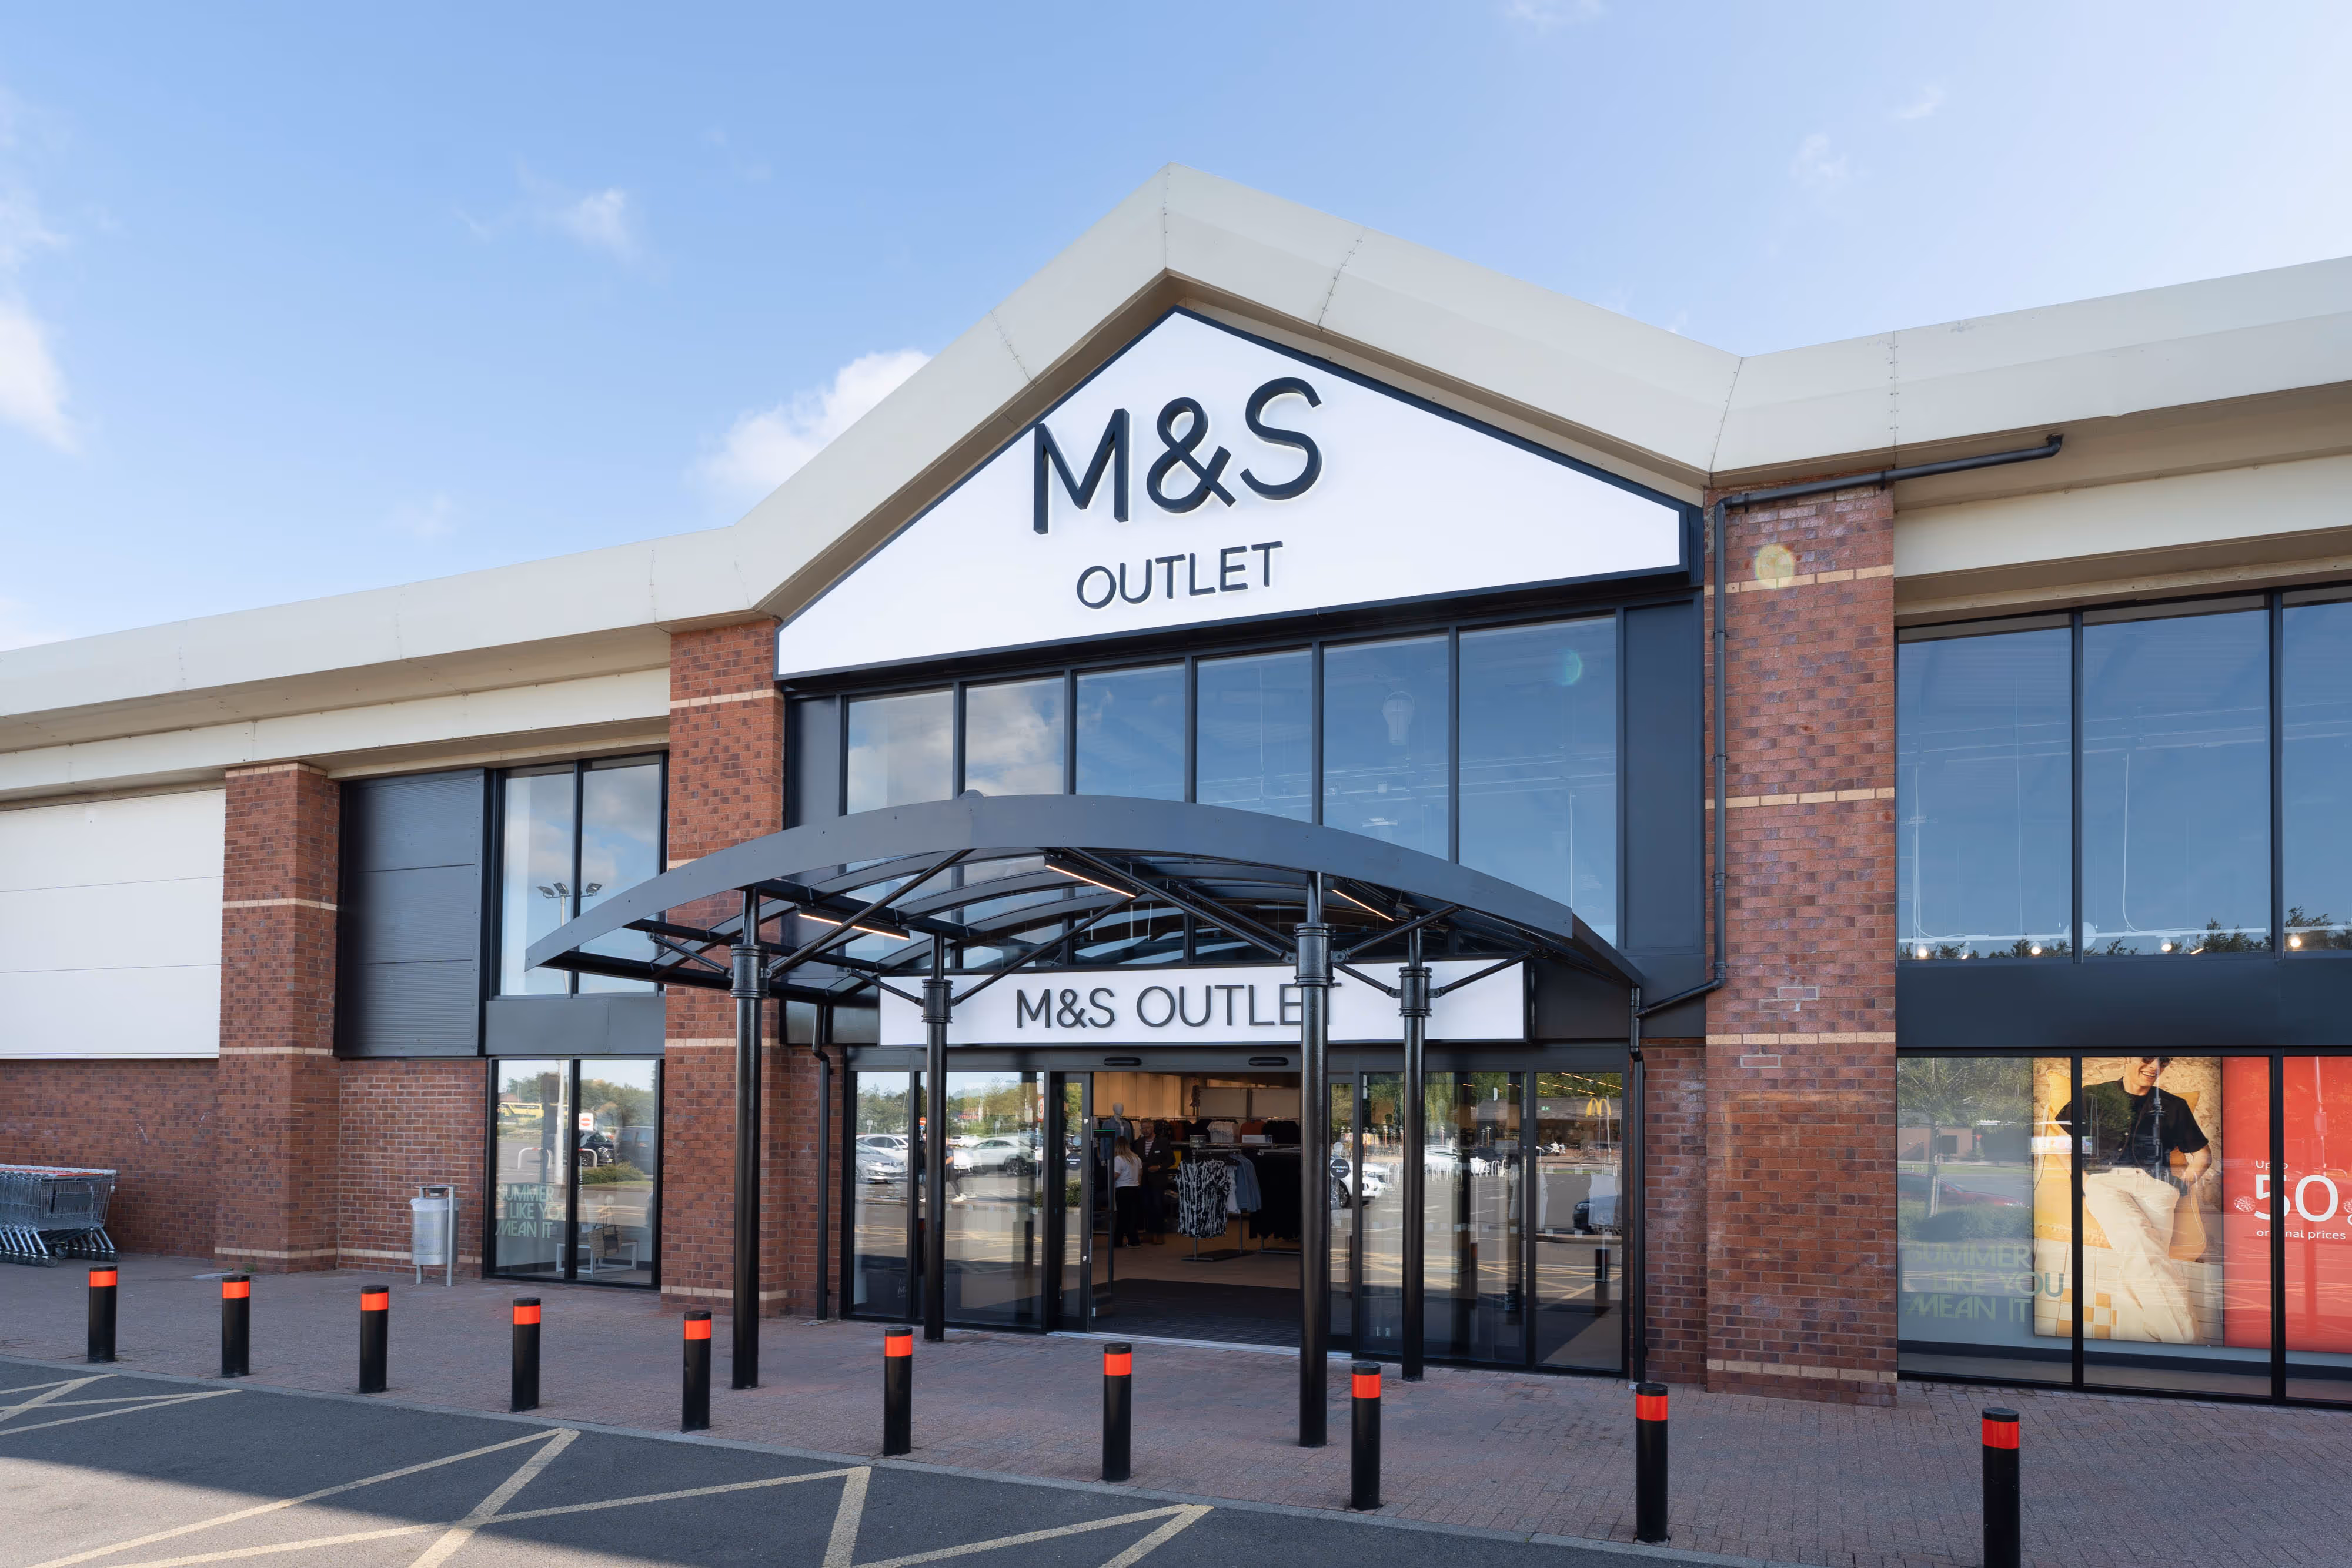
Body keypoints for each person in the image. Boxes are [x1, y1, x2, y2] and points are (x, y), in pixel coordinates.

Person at [2051, 1056, 2213, 1343]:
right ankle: (2189, 1341)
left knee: (2139, 1262)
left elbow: (2203, 1156)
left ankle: (2137, 1347)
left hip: (2159, 1187)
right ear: (2128, 1058)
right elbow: (2062, 1144)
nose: (2155, 1067)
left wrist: (2180, 1186)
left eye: (2163, 1062)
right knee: (2142, 1248)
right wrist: (2085, 1181)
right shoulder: (2092, 1096)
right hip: (2105, 1182)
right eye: (2148, 1059)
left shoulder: (2174, 1106)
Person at [1112, 1135, 1144, 1248]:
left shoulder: (1119, 1159)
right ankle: (1134, 1240)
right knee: (1132, 1216)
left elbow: (1115, 1175)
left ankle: (1117, 1242)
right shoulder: (1136, 1158)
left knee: (1122, 1216)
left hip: (1123, 1189)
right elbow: (1140, 1174)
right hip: (1135, 1189)